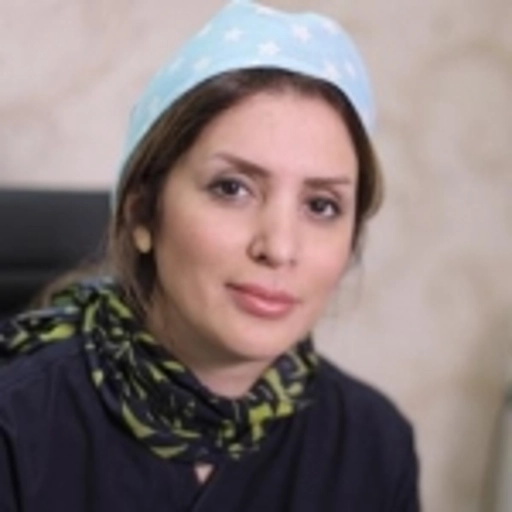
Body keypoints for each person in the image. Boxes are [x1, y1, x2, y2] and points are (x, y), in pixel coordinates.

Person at [0, 1, 420, 510]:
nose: (279, 247)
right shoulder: (15, 423)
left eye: (321, 205)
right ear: (142, 213)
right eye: (232, 188)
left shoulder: (374, 445)